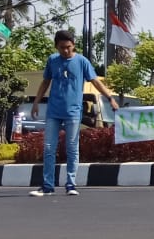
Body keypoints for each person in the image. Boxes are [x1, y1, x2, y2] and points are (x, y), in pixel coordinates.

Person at [29, 30, 118, 197]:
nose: (65, 51)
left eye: (68, 47)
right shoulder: (52, 61)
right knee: (49, 148)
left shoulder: (82, 61)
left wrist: (110, 98)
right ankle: (48, 186)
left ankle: (71, 184)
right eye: (62, 47)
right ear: (56, 47)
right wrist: (36, 102)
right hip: (53, 112)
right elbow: (45, 82)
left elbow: (95, 82)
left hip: (73, 112)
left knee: (72, 148)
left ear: (73, 45)